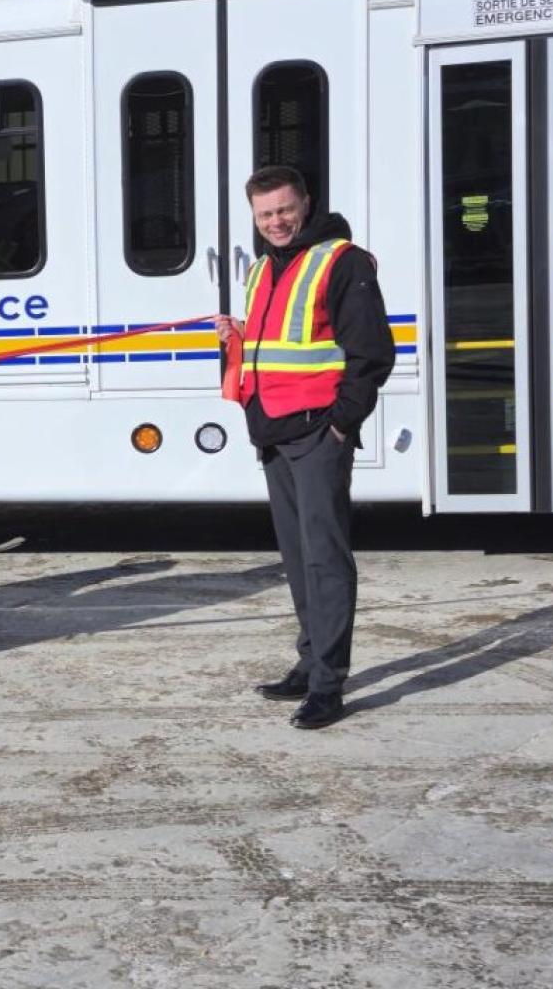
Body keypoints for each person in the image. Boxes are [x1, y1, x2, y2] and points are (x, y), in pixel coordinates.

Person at [215, 166, 394, 730]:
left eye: (285, 210)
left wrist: (342, 424)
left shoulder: (340, 261)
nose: (276, 221)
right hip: (273, 433)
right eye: (265, 214)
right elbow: (279, 345)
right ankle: (309, 660)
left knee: (325, 560)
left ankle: (328, 685)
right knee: (296, 559)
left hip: (318, 433)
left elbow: (371, 353)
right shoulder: (263, 266)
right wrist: (236, 336)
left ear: (306, 203)